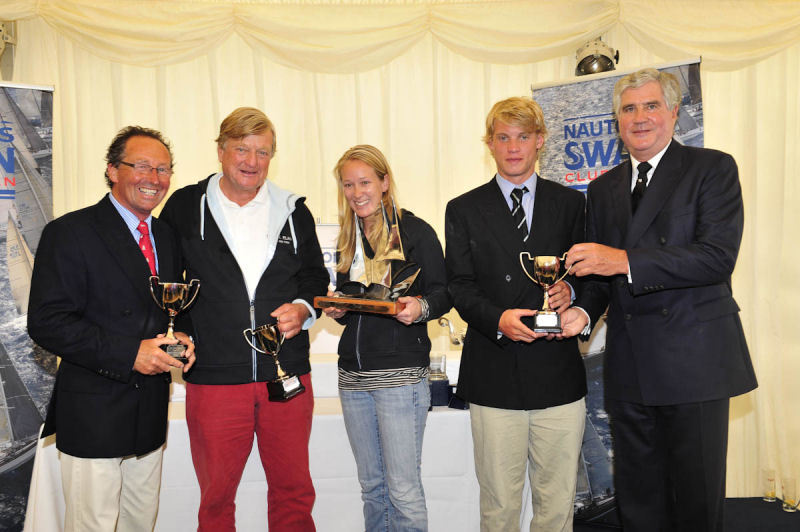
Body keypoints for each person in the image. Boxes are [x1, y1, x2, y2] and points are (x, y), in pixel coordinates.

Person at [564, 68, 758, 531]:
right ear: (617, 120)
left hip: (694, 360)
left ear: (674, 111)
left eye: (651, 105)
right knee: (639, 500)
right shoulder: (603, 187)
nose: (640, 117)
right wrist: (579, 307)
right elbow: (598, 275)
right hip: (630, 365)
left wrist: (624, 260)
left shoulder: (713, 168)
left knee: (695, 499)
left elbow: (715, 258)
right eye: (629, 109)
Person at [159, 107, 328, 532]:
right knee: (216, 497)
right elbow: (163, 280)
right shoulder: (184, 206)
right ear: (221, 151)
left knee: (293, 492)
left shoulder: (293, 209)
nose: (252, 162)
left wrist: (305, 308)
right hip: (214, 377)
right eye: (242, 150)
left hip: (286, 373)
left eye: (263, 152)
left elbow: (314, 277)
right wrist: (177, 331)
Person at [27, 126, 194, 531]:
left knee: (141, 523)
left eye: (163, 169)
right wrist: (129, 353)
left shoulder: (167, 236)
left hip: (150, 411)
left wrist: (183, 336)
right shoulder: (70, 232)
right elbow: (47, 322)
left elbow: (169, 309)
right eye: (141, 166)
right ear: (112, 171)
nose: (154, 179)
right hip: (94, 412)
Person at [444, 97, 587, 531]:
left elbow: (591, 276)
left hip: (557, 372)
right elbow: (459, 287)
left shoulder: (572, 204)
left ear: (540, 141)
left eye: (523, 137)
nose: (513, 147)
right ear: (489, 143)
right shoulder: (463, 209)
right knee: (500, 505)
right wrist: (498, 320)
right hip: (493, 371)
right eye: (503, 137)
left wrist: (572, 293)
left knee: (557, 504)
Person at [322, 145, 450, 531]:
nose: (357, 192)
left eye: (364, 182)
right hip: (353, 378)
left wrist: (419, 308)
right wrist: (340, 310)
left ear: (384, 183)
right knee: (372, 488)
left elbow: (445, 293)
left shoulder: (415, 232)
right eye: (348, 184)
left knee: (403, 489)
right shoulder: (347, 238)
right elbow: (359, 311)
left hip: (400, 378)